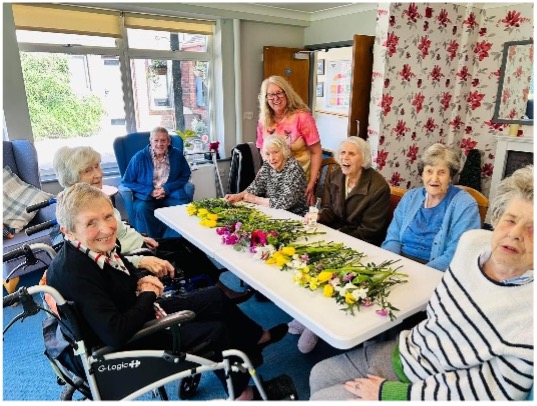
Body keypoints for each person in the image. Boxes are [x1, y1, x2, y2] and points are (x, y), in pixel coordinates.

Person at [309, 165, 533, 401]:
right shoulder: (472, 244)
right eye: (510, 220)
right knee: (318, 374)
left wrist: (395, 393)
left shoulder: (528, 312)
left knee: (321, 399)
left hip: (435, 388)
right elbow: (437, 319)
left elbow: (496, 391)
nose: (515, 233)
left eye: (533, 228)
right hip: (411, 350)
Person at [47, 183, 289, 400]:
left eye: (108, 216)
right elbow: (115, 334)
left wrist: (141, 280)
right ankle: (242, 394)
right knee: (218, 330)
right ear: (67, 230)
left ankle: (255, 337)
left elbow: (118, 274)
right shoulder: (77, 272)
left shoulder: (90, 249)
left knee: (214, 296)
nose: (107, 228)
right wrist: (148, 293)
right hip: (128, 341)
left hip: (133, 309)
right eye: (91, 222)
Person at [52, 146, 253, 304]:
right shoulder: (78, 216)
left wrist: (140, 237)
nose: (98, 174)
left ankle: (218, 288)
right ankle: (217, 293)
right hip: (132, 256)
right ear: (72, 180)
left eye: (97, 166)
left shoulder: (96, 199)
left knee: (186, 243)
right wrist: (138, 259)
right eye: (88, 170)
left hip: (138, 244)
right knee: (185, 252)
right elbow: (105, 260)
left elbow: (121, 227)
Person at [288, 136, 391, 354]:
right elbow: (332, 211)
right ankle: (307, 315)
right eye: (342, 153)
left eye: (351, 154)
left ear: (363, 159)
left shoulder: (378, 187)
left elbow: (370, 231)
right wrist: (316, 217)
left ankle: (314, 324)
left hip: (363, 244)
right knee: (303, 257)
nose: (345, 158)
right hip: (341, 236)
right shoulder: (336, 175)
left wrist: (335, 238)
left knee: (321, 266)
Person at [381, 143, 481, 271]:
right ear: (422, 174)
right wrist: (389, 264)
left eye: (441, 172)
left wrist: (423, 274)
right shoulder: (410, 197)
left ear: (451, 176)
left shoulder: (465, 204)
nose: (434, 178)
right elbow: (393, 238)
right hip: (399, 264)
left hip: (435, 270)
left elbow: (457, 252)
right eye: (429, 171)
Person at [256, 75, 322, 206]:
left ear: (287, 93)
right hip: (275, 183)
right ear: (265, 98)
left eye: (279, 93)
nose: (275, 98)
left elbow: (316, 152)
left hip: (300, 181)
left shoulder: (302, 117)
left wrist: (311, 183)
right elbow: (263, 153)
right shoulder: (264, 121)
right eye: (270, 95)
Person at [122, 126, 194, 238]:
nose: (159, 144)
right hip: (147, 197)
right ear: (150, 141)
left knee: (184, 208)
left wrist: (166, 189)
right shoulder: (139, 157)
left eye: (163, 140)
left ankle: (172, 240)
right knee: (142, 209)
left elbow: (185, 175)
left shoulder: (177, 155)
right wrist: (150, 191)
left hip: (170, 194)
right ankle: (155, 242)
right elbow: (127, 181)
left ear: (168, 141)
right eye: (156, 140)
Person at [224, 135, 308, 216]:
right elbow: (256, 186)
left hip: (296, 216)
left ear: (284, 151)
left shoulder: (293, 168)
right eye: (267, 154)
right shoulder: (267, 165)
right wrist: (238, 196)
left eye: (275, 152)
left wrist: (255, 199)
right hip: (273, 212)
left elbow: (284, 203)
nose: (271, 158)